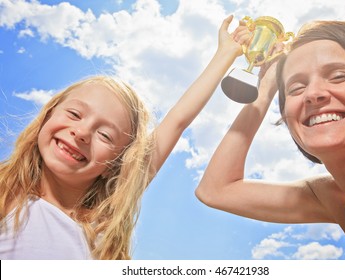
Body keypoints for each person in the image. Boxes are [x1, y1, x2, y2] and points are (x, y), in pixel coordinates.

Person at [0, 16, 243, 260]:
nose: (82, 133)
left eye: (105, 135)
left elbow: (178, 120)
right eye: (74, 114)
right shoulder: (6, 196)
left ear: (115, 166)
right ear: (47, 116)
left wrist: (226, 53)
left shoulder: (102, 226)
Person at [196, 19, 345, 259]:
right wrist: (266, 86)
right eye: (296, 88)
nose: (313, 94)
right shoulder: (336, 200)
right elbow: (215, 190)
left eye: (338, 76)